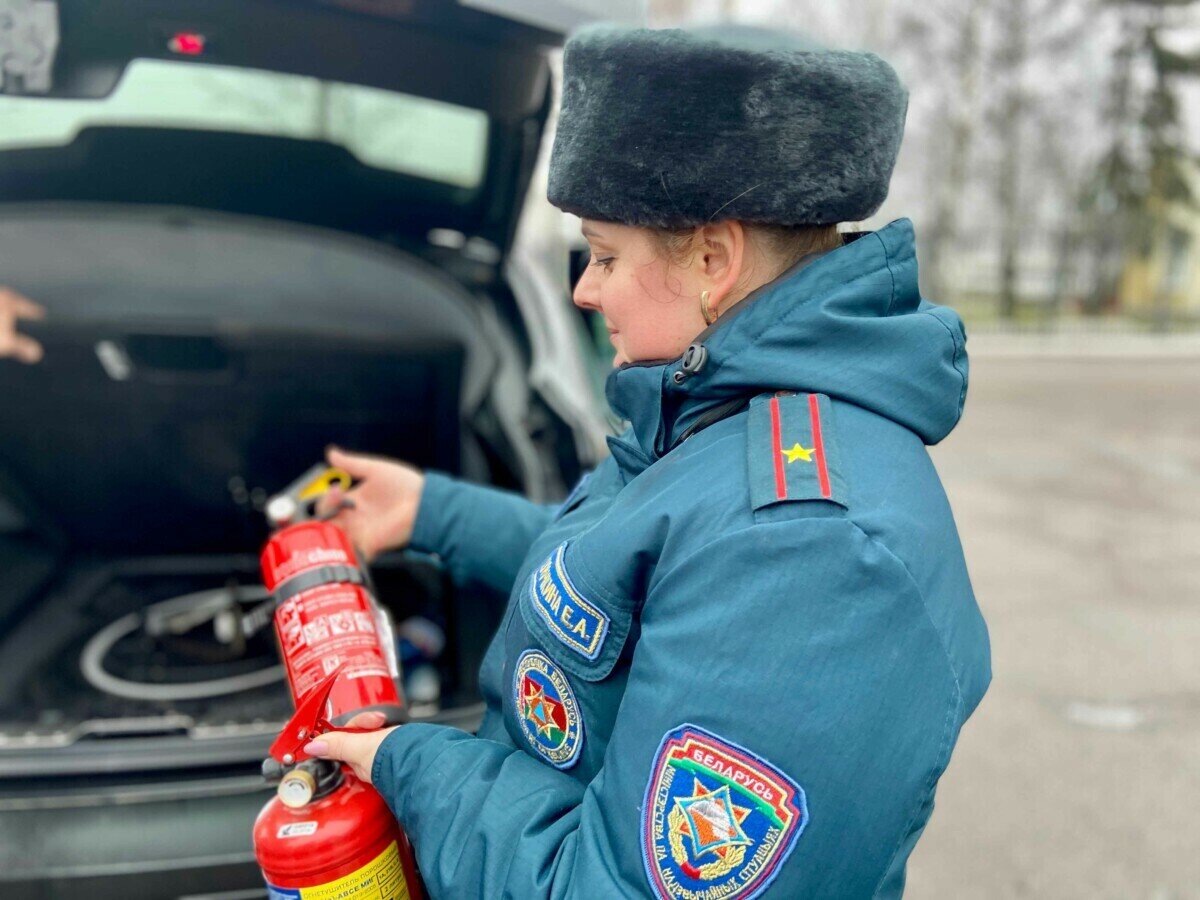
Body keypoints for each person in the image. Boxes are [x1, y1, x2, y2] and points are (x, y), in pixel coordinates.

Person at [305, 23, 991, 899]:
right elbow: (633, 587)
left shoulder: (814, 554)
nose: (584, 290)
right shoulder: (718, 410)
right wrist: (434, 513)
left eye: (603, 255)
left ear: (713, 259)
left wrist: (411, 764)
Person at [0, 286, 44, 363]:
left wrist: (32, 310)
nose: (28, 340)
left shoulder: (5, 339)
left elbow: (4, 297)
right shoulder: (7, 339)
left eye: (28, 344)